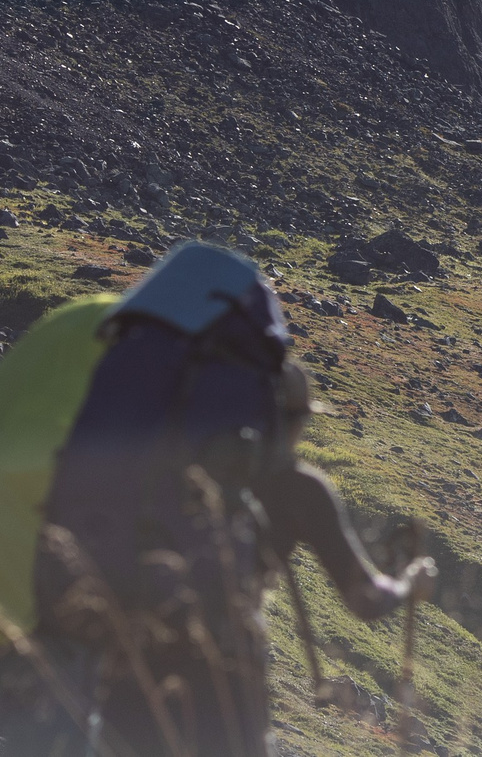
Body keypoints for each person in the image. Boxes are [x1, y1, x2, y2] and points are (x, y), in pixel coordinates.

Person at [30, 242, 431, 757]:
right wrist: (409, 584)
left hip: (129, 655)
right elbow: (365, 599)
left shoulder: (173, 465)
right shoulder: (300, 488)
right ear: (286, 417)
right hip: (227, 671)